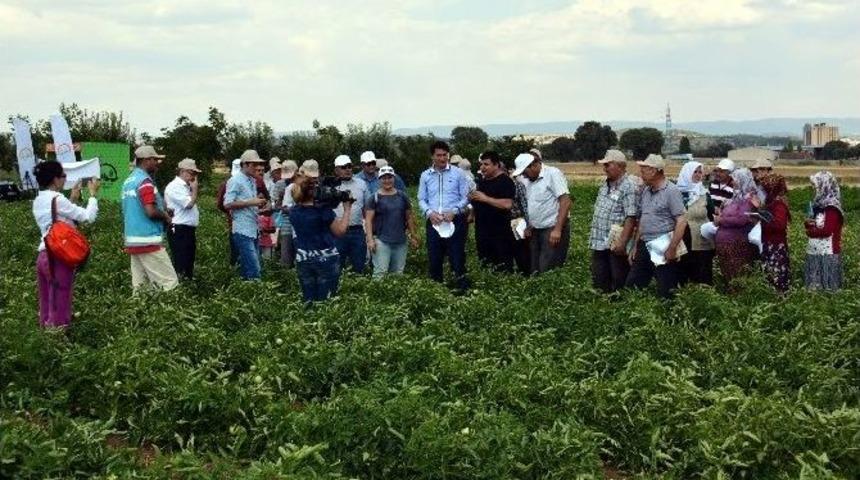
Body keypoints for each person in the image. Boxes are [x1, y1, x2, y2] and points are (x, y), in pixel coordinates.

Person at [32, 161, 100, 328]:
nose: (65, 179)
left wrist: (72, 199)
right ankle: (58, 341)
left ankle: (45, 337)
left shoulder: (38, 200)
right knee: (60, 301)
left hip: (43, 256)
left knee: (47, 301)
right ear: (55, 179)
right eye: (63, 176)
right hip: (57, 258)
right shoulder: (57, 199)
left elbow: (57, 221)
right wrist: (92, 195)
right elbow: (88, 217)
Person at [289, 160, 353, 303]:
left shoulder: (294, 212)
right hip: (325, 258)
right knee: (326, 300)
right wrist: (347, 209)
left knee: (308, 299)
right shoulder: (323, 211)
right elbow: (340, 231)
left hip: (303, 258)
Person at [625, 154, 687, 299]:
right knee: (633, 285)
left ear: (653, 171)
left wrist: (672, 248)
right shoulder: (646, 191)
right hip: (644, 244)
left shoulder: (671, 191)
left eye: (644, 171)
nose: (641, 174)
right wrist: (635, 246)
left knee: (666, 287)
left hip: (662, 244)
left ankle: (667, 317)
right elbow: (642, 219)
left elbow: (681, 220)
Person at [121, 146, 179, 292]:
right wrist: (165, 215)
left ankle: (137, 314)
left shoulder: (129, 181)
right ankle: (169, 315)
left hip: (133, 240)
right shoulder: (144, 181)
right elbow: (150, 211)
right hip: (148, 239)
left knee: (141, 288)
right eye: (155, 159)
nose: (157, 163)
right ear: (146, 160)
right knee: (169, 284)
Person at [418, 140, 471, 292]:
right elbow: (421, 199)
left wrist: (454, 210)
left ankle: (462, 290)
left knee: (457, 257)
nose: (442, 158)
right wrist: (429, 213)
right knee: (434, 257)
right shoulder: (425, 176)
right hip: (434, 222)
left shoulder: (458, 173)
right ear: (432, 157)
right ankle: (437, 291)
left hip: (455, 220)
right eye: (439, 155)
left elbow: (466, 197)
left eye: (445, 155)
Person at [512, 151, 572, 274]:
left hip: (551, 229)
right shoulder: (528, 180)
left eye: (525, 172)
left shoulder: (552, 174)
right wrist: (529, 225)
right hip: (535, 230)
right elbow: (532, 205)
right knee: (534, 268)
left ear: (534, 165)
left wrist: (557, 230)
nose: (524, 176)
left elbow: (565, 201)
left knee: (548, 268)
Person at [588, 149, 638, 293]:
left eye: (608, 165)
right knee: (599, 278)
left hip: (616, 243)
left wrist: (622, 242)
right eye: (604, 165)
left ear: (621, 166)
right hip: (599, 241)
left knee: (618, 279)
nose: (604, 168)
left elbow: (631, 216)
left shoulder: (629, 186)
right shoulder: (605, 184)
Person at [365, 166, 419, 278]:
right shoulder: (374, 198)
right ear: (379, 180)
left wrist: (413, 236)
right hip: (382, 241)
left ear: (394, 178)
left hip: (401, 242)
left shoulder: (402, 196)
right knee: (380, 273)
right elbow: (368, 220)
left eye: (389, 177)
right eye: (383, 178)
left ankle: (395, 295)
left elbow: (409, 217)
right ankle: (378, 295)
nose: (387, 180)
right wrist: (370, 240)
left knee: (398, 273)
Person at [223, 150, 268, 280]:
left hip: (253, 228)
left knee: (248, 267)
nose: (257, 168)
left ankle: (245, 292)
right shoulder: (235, 181)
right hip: (242, 229)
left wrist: (258, 204)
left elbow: (248, 203)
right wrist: (251, 202)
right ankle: (254, 293)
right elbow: (227, 203)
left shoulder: (252, 181)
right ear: (245, 165)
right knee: (254, 269)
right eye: (254, 165)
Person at [469, 151, 516, 272]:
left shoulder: (505, 182)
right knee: (486, 265)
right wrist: (471, 213)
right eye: (481, 164)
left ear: (496, 165)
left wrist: (486, 198)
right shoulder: (483, 181)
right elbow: (477, 201)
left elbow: (507, 204)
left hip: (500, 233)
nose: (482, 167)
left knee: (502, 266)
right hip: (482, 232)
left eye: (486, 164)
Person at [714, 168, 759, 285]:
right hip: (726, 244)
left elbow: (741, 219)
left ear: (742, 180)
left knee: (738, 276)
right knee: (730, 277)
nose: (733, 182)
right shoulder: (736, 197)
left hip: (737, 244)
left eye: (735, 179)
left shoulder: (749, 199)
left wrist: (721, 220)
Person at [676, 161, 716, 285]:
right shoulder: (675, 193)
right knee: (681, 275)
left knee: (701, 275)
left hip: (701, 241)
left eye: (700, 172)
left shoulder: (704, 194)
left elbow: (711, 215)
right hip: (680, 240)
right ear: (687, 172)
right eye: (695, 171)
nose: (698, 175)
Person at [804, 171, 844, 291]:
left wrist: (810, 232)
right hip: (817, 251)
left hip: (828, 253)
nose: (814, 189)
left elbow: (827, 231)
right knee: (816, 288)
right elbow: (817, 225)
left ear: (824, 186)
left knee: (828, 287)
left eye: (815, 186)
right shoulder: (819, 207)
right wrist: (808, 224)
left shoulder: (832, 208)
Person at [164, 158, 201, 280]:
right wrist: (195, 189)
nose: (194, 177)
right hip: (179, 229)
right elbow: (188, 204)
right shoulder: (175, 186)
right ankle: (181, 285)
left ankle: (187, 282)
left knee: (189, 259)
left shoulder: (185, 186)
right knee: (181, 260)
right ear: (183, 171)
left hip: (187, 229)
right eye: (192, 173)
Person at [332, 154, 369, 273]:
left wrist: (369, 232)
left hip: (357, 231)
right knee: (336, 267)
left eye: (349, 166)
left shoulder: (361, 184)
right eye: (344, 167)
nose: (348, 169)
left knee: (359, 266)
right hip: (336, 232)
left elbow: (367, 208)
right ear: (336, 170)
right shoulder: (331, 186)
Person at [758, 174, 791, 292]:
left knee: (776, 277)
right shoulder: (770, 202)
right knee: (769, 276)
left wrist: (762, 216)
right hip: (769, 243)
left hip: (775, 246)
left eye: (764, 188)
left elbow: (779, 225)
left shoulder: (778, 204)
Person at [272, 160, 299, 268]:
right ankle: (287, 279)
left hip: (298, 226)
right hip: (286, 225)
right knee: (286, 256)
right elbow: (274, 206)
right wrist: (280, 201)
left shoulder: (301, 185)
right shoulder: (280, 184)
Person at [217, 159, 241, 265]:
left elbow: (220, 204)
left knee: (236, 249)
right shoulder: (226, 184)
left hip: (235, 221)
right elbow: (221, 204)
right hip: (236, 221)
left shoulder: (226, 183)